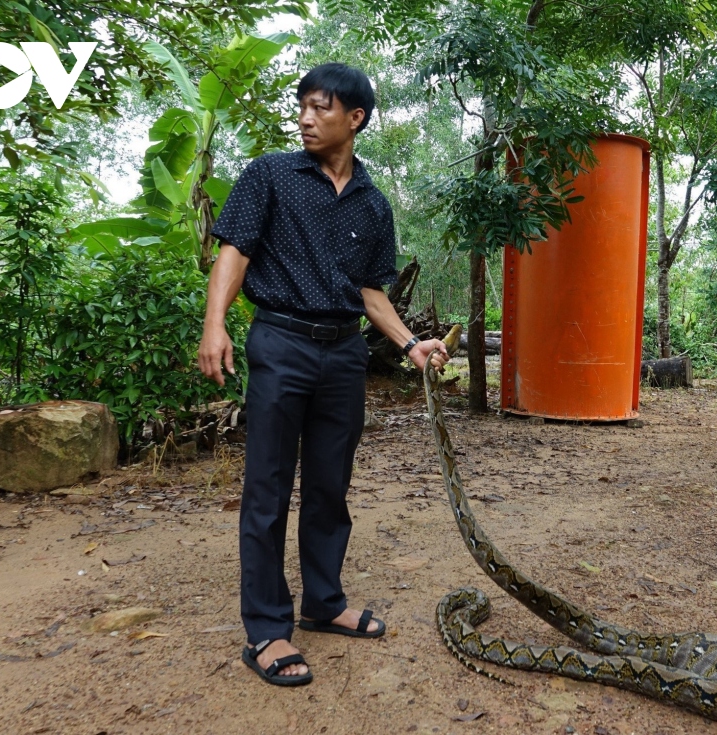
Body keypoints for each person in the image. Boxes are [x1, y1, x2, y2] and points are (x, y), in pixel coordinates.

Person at [197, 63, 449, 687]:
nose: (306, 119)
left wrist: (411, 344)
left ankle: (324, 604)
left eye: (321, 108)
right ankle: (265, 630)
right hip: (280, 341)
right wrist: (215, 323)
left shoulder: (374, 203)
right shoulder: (271, 175)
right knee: (268, 489)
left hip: (343, 354)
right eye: (302, 107)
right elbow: (235, 248)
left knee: (331, 486)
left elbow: (369, 292)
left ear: (354, 118)